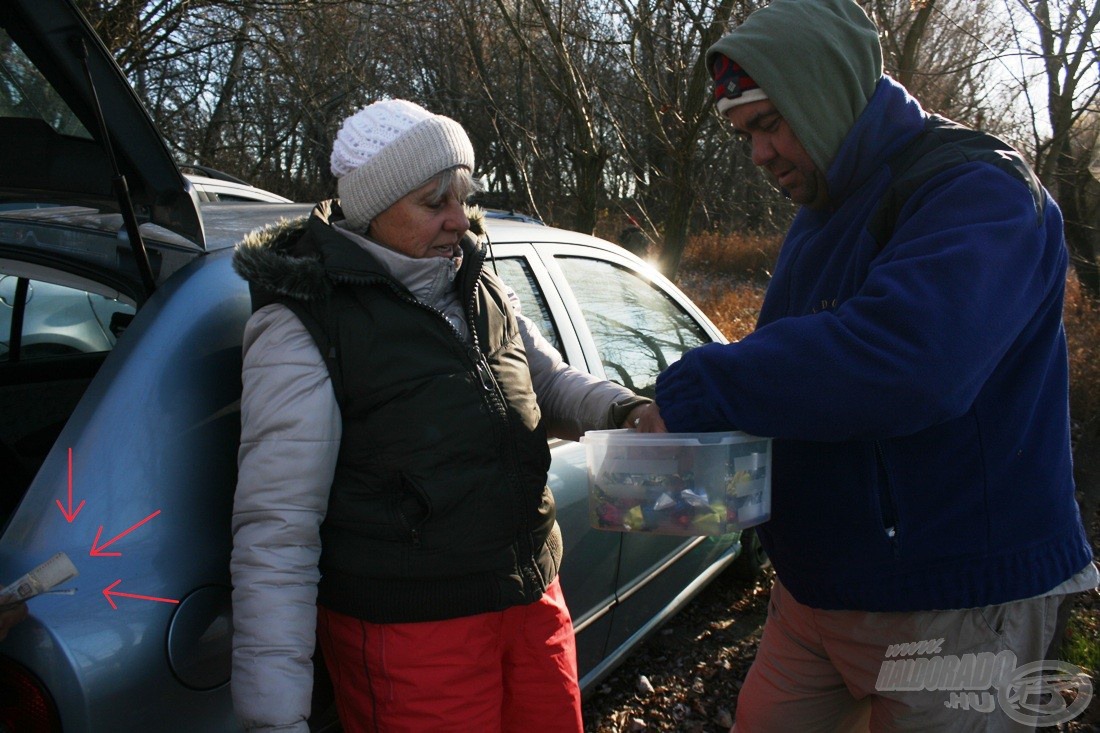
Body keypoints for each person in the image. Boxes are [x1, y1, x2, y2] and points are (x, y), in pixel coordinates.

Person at [645, 1, 1097, 730]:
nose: (758, 154)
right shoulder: (824, 210)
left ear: (823, 95)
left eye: (768, 124)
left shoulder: (978, 190)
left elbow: (908, 361)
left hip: (951, 599)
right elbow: (802, 390)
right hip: (816, 592)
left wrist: (703, 389)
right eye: (742, 135)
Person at [229, 99, 654, 733]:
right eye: (435, 202)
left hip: (533, 602)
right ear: (373, 207)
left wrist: (626, 410)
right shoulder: (304, 323)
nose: (460, 219)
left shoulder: (477, 283)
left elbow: (545, 380)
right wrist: (274, 716)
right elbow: (278, 529)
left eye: (463, 194)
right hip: (412, 639)